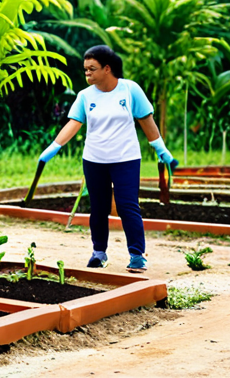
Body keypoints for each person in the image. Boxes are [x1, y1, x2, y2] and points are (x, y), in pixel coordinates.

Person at [38, 45, 175, 273]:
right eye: (85, 70)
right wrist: (54, 147)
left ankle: (137, 255)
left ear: (107, 68)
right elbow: (73, 123)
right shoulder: (85, 96)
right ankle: (99, 253)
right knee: (98, 207)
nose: (87, 74)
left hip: (126, 159)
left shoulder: (130, 90)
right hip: (94, 159)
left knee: (127, 206)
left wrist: (160, 149)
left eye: (92, 69)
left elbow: (146, 120)